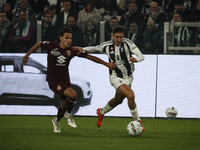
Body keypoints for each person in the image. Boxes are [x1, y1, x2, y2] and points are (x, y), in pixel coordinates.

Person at [22, 26, 116, 133]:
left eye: (70, 38)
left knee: (65, 104)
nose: (69, 40)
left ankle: (56, 120)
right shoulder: (52, 46)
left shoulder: (72, 50)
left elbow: (90, 57)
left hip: (65, 80)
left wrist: (106, 64)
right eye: (67, 38)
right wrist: (27, 56)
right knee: (73, 95)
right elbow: (38, 44)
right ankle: (68, 114)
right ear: (61, 38)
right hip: (53, 80)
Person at [73, 25, 145, 130]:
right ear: (112, 36)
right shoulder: (106, 45)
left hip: (128, 77)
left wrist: (136, 59)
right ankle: (138, 122)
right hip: (115, 76)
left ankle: (101, 112)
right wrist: (82, 49)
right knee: (131, 95)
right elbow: (94, 48)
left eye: (121, 37)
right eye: (117, 37)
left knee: (118, 100)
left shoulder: (128, 43)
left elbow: (141, 56)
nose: (119, 39)